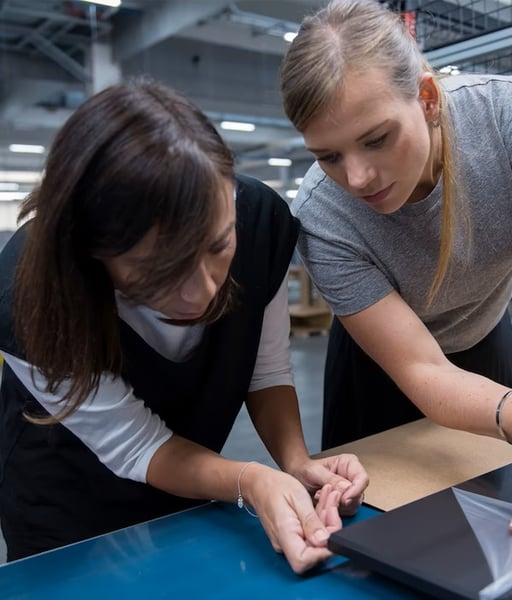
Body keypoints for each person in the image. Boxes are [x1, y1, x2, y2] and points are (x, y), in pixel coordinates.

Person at [0, 77, 368, 573]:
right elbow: (137, 446)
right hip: (69, 507)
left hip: (192, 481)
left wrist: (296, 463)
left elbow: (266, 370)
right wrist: (250, 481)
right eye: (160, 272)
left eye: (218, 247)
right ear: (92, 254)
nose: (203, 292)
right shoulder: (27, 290)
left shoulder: (260, 222)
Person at [279, 0, 512, 559]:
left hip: (485, 335)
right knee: (389, 548)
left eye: (377, 138)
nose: (356, 177)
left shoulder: (501, 117)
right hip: (377, 372)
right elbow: (421, 367)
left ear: (427, 99)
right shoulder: (322, 213)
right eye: (328, 155)